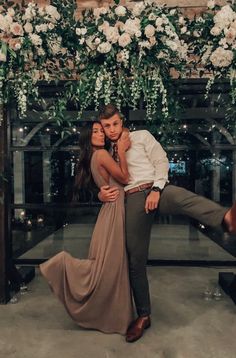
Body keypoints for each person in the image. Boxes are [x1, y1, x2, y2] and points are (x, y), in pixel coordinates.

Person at [98, 104, 236, 343]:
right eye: (106, 126)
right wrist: (102, 191)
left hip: (155, 189)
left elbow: (161, 161)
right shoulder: (107, 152)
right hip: (132, 199)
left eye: (115, 124)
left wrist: (156, 189)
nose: (111, 129)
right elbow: (107, 180)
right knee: (135, 259)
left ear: (122, 122)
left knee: (182, 197)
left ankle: (225, 218)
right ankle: (143, 316)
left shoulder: (141, 136)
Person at [40, 121, 134, 335]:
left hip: (109, 210)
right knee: (110, 267)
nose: (101, 134)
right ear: (87, 137)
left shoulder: (96, 156)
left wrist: (102, 193)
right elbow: (125, 178)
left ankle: (111, 315)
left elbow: (107, 183)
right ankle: (61, 264)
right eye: (96, 131)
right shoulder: (101, 155)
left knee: (109, 266)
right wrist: (120, 149)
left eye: (102, 130)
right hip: (114, 211)